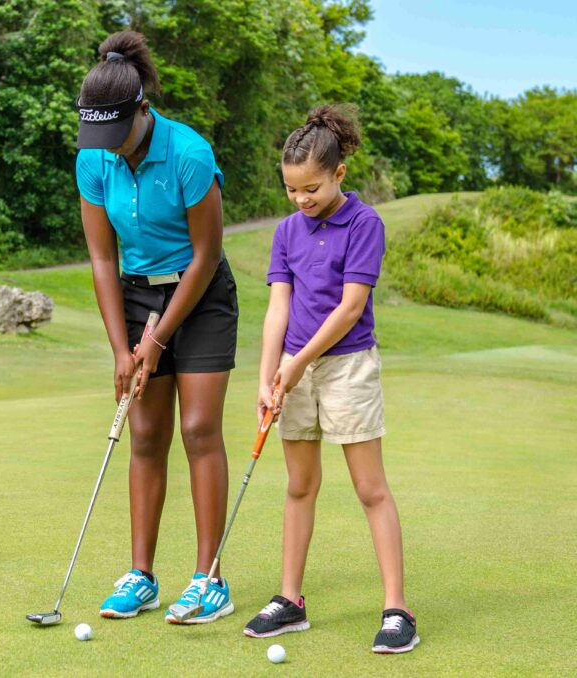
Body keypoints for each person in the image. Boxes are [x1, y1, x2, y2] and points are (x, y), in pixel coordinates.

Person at [74, 31, 239, 624]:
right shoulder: (94, 155)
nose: (109, 149)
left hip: (200, 293)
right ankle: (141, 575)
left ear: (143, 111)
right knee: (144, 434)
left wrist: (157, 339)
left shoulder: (190, 154)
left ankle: (209, 578)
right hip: (136, 294)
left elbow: (205, 256)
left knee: (197, 428)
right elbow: (100, 258)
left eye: (117, 134)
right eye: (100, 138)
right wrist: (123, 348)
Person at [243, 105, 418, 653]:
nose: (301, 200)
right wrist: (267, 374)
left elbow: (348, 310)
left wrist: (296, 366)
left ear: (339, 174)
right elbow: (278, 308)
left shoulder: (365, 224)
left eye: (311, 188)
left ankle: (397, 609)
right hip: (294, 368)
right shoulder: (286, 231)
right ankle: (291, 600)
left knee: (370, 488)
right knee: (299, 485)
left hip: (347, 367)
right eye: (292, 190)